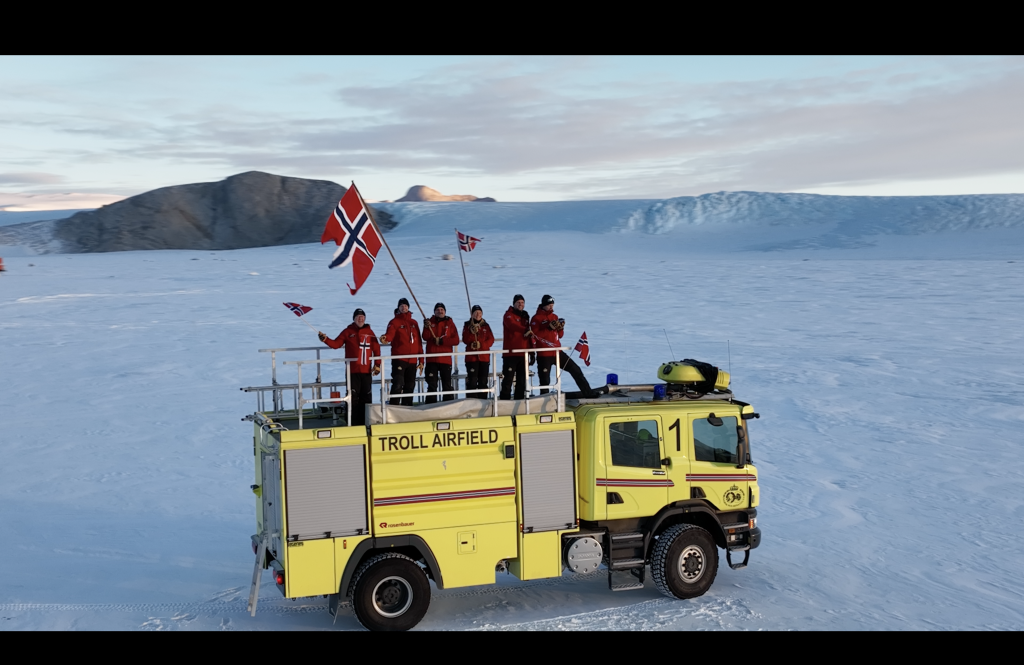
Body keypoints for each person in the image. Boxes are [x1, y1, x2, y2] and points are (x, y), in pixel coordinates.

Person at [318, 308, 381, 426]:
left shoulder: (370, 332)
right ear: (354, 319)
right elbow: (336, 344)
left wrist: (377, 365)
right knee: (352, 398)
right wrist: (325, 339)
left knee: (366, 397)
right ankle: (352, 422)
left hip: (366, 371)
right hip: (352, 372)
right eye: (358, 317)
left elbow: (376, 349)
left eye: (362, 317)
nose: (360, 319)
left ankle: (366, 422)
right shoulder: (348, 331)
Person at [529, 294, 600, 398]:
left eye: (552, 305)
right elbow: (535, 336)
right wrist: (548, 328)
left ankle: (588, 393)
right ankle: (543, 402)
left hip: (558, 352)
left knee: (575, 369)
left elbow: (560, 336)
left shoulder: (554, 317)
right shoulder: (536, 319)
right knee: (545, 381)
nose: (551, 307)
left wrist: (560, 328)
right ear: (543, 305)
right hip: (544, 354)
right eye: (549, 305)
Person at [380, 298, 423, 406]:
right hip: (399, 359)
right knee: (398, 384)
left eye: (405, 306)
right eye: (401, 306)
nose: (404, 307)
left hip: (413, 360)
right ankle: (394, 406)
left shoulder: (414, 323)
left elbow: (419, 343)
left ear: (408, 307)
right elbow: (390, 335)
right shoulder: (394, 322)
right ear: (398, 308)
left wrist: (421, 360)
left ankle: (407, 407)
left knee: (410, 385)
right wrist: (386, 338)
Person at [423, 302, 460, 403]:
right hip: (432, 359)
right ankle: (430, 405)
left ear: (445, 311)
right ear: (434, 312)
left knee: (447, 384)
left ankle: (448, 405)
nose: (440, 311)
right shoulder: (429, 322)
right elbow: (425, 337)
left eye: (442, 310)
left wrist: (442, 341)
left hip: (445, 359)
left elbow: (456, 340)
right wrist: (426, 327)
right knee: (432, 384)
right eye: (438, 310)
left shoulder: (450, 323)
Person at [499, 294, 533, 400]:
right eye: (518, 302)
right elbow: (512, 325)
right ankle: (504, 401)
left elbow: (529, 335)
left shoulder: (526, 316)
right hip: (511, 354)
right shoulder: (508, 315)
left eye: (522, 302)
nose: (520, 304)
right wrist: (524, 330)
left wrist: (532, 352)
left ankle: (519, 401)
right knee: (508, 379)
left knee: (521, 381)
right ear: (514, 303)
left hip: (523, 354)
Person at [462, 305, 495, 399]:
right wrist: (472, 333)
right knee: (472, 381)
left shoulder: (486, 325)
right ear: (472, 314)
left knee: (483, 381)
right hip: (471, 358)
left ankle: (483, 401)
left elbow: (491, 340)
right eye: (475, 312)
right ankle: (471, 401)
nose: (478, 314)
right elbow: (465, 339)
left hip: (484, 357)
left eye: (479, 312)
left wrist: (481, 344)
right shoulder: (467, 325)